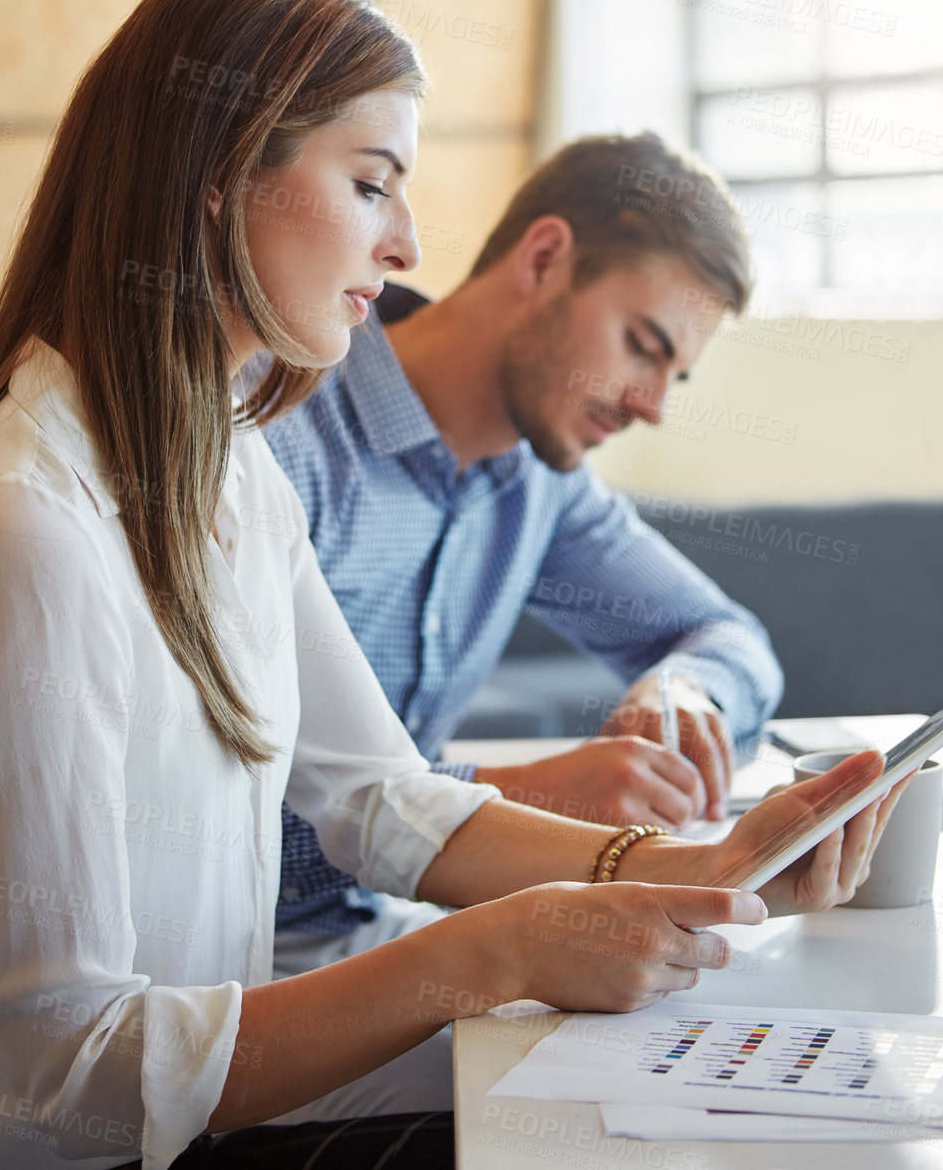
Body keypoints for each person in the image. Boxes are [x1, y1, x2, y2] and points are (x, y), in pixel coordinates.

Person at [0, 0, 903, 1170]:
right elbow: (70, 1067)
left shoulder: (228, 472)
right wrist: (495, 948)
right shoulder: (22, 529)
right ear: (216, 179)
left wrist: (705, 870)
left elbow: (379, 799)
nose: (407, 242)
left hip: (196, 1113)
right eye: (371, 182)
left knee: (711, 1099)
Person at [263, 134, 787, 1118]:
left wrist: (679, 690)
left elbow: (725, 635)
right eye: (643, 345)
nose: (652, 405)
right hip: (220, 985)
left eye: (677, 376)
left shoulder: (537, 486)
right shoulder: (282, 437)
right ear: (542, 259)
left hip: (374, 940)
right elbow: (189, 821)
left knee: (710, 1066)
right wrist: (511, 799)